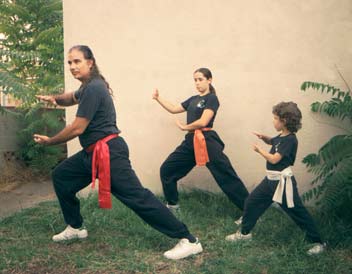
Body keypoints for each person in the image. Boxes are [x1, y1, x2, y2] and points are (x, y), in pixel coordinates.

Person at [33, 45, 203, 260]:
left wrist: (51, 141)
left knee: (137, 197)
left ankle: (189, 240)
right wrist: (54, 99)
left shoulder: (94, 87)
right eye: (69, 62)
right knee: (62, 176)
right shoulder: (88, 87)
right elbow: (72, 97)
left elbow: (77, 128)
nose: (72, 66)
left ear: (90, 62)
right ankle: (75, 227)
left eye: (77, 61)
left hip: (109, 153)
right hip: (91, 154)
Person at [225, 102, 326, 255]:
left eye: (275, 118)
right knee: (252, 201)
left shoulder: (290, 140)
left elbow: (274, 159)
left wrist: (259, 151)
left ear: (284, 121)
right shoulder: (281, 137)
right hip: (270, 181)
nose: (273, 121)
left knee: (297, 211)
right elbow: (274, 142)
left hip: (283, 183)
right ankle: (244, 233)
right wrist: (264, 138)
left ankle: (318, 242)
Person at [153, 68, 249, 223]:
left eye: (200, 79)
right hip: (191, 141)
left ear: (209, 80)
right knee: (167, 169)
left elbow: (204, 121)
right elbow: (173, 109)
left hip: (207, 140)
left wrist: (185, 127)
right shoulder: (193, 99)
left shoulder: (212, 99)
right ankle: (173, 206)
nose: (197, 83)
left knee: (226, 176)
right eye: (195, 80)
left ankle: (249, 212)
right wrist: (158, 98)